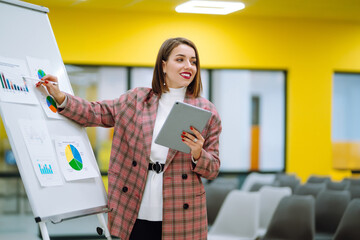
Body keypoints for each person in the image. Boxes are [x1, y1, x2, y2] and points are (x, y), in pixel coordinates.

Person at [40, 37, 222, 240]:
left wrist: (198, 152)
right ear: (163, 65)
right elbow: (97, 112)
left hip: (182, 211)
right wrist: (61, 97)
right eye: (180, 59)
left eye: (193, 61)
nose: (189, 66)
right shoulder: (136, 100)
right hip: (136, 205)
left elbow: (213, 169)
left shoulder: (207, 111)